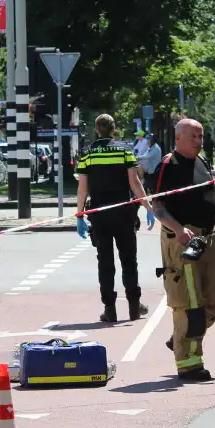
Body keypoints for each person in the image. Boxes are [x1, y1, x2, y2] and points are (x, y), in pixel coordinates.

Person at [151, 119, 215, 382]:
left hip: (208, 237)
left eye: (201, 136)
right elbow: (157, 207)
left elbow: (209, 196)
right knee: (189, 303)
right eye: (194, 136)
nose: (199, 141)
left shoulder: (202, 162)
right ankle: (189, 364)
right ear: (179, 137)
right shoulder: (167, 166)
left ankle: (180, 336)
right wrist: (178, 229)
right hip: (182, 239)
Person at [76, 114, 154, 322]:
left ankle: (109, 309)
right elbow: (135, 183)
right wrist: (147, 206)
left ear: (96, 130)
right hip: (124, 213)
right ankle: (134, 307)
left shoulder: (88, 154)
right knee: (129, 260)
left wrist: (80, 214)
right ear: (113, 129)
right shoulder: (124, 150)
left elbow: (83, 187)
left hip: (99, 215)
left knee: (105, 262)